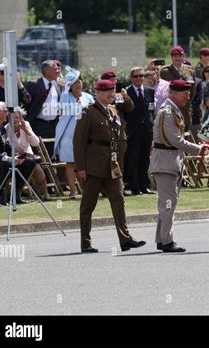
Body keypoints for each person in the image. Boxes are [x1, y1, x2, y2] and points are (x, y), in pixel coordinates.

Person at [73, 79, 146, 253]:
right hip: (94, 165)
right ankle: (85, 242)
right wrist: (81, 167)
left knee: (119, 201)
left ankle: (125, 239)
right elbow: (78, 142)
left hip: (112, 165)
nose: (111, 94)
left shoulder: (114, 110)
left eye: (113, 91)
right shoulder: (87, 112)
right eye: (106, 91)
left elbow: (121, 136)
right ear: (96, 93)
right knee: (88, 205)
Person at [149, 80, 207, 253]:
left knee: (167, 203)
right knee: (168, 203)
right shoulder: (168, 112)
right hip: (166, 162)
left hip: (169, 161)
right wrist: (198, 149)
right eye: (185, 94)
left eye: (188, 94)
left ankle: (162, 238)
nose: (188, 97)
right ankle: (167, 241)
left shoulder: (172, 110)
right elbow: (175, 140)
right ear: (173, 93)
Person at [54, 68, 94, 200]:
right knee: (71, 164)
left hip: (85, 136)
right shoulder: (66, 97)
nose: (78, 84)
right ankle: (72, 192)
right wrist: (65, 92)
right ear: (70, 86)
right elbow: (63, 109)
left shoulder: (88, 97)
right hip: (68, 137)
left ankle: (86, 190)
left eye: (80, 81)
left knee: (86, 163)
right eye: (75, 82)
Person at [0, 101, 35, 205]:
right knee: (7, 163)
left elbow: (6, 146)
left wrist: (16, 156)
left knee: (29, 161)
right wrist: (8, 158)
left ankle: (15, 194)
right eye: (6, 111)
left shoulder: (0, 127)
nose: (8, 113)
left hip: (0, 159)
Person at [5, 106, 50, 201]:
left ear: (21, 118)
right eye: (12, 117)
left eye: (17, 117)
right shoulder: (6, 129)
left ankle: (46, 194)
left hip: (28, 155)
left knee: (37, 168)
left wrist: (26, 131)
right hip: (15, 157)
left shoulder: (26, 125)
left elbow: (36, 143)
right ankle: (16, 195)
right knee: (23, 167)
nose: (14, 120)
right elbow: (7, 147)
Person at [124, 67, 155, 195]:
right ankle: (134, 186)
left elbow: (151, 110)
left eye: (141, 76)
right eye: (136, 76)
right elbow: (123, 111)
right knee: (133, 158)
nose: (139, 78)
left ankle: (145, 185)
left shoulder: (149, 91)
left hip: (147, 130)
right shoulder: (126, 92)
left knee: (145, 158)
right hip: (132, 130)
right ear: (131, 78)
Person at [24, 60, 63, 157]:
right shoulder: (34, 84)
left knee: (51, 154)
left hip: (53, 125)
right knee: (39, 153)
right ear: (47, 71)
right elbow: (25, 103)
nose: (58, 71)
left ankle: (49, 172)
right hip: (38, 125)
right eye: (55, 69)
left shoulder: (57, 86)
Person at [100, 69, 134, 175]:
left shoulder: (119, 94)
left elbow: (130, 108)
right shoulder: (99, 94)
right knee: (104, 160)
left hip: (119, 133)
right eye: (111, 80)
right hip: (105, 132)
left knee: (120, 161)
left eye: (115, 80)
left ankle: (119, 186)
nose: (114, 82)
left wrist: (125, 96)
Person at [160, 46, 196, 131]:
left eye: (180, 56)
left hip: (185, 108)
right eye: (175, 56)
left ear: (183, 57)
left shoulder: (190, 71)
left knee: (185, 133)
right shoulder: (164, 71)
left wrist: (186, 101)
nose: (177, 58)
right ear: (171, 57)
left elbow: (193, 90)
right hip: (170, 108)